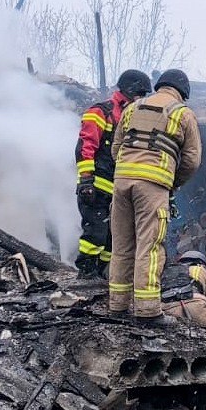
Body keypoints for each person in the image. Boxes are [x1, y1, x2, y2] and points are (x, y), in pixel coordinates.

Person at [108, 69, 202, 323]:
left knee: (122, 245)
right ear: (183, 92)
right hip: (153, 186)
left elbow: (116, 147)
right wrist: (171, 182)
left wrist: (128, 171)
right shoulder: (183, 113)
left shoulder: (132, 108)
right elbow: (192, 160)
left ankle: (117, 306)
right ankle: (148, 311)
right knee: (149, 247)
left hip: (121, 183)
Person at [74, 69, 148, 277]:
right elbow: (85, 146)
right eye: (140, 94)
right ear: (130, 90)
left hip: (118, 190)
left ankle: (100, 275)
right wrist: (86, 180)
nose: (142, 99)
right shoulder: (101, 112)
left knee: (112, 238)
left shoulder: (132, 116)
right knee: (95, 234)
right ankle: (86, 274)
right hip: (96, 188)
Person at [162, 250, 206, 330]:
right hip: (196, 305)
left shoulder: (169, 272)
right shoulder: (200, 269)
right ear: (202, 264)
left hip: (168, 310)